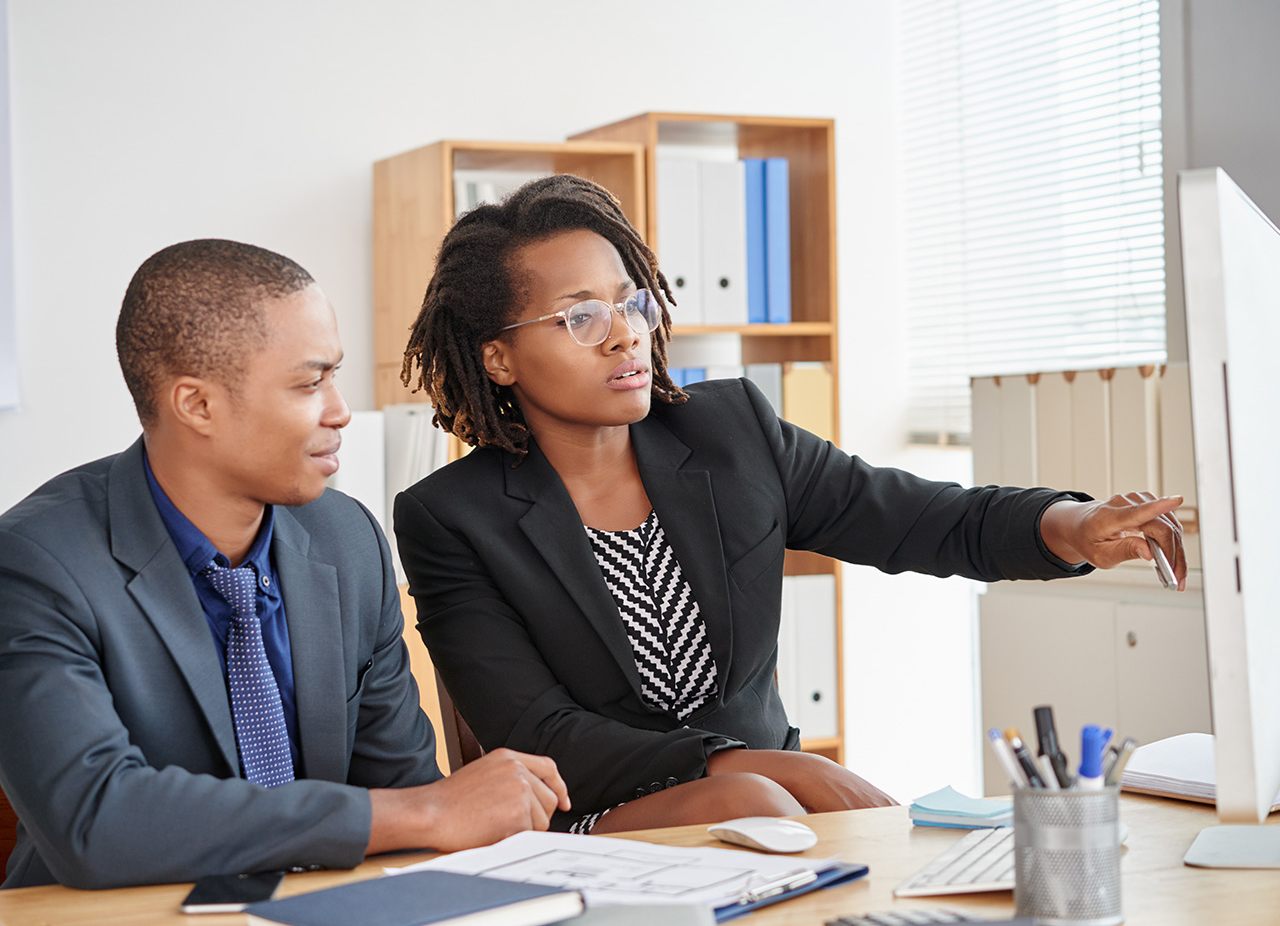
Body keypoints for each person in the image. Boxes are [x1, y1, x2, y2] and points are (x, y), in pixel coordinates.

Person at [392, 174, 1186, 835]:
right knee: (759, 801)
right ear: (497, 357)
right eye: (580, 317)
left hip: (782, 802)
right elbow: (538, 734)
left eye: (631, 303)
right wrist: (749, 766)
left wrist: (1074, 524)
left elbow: (918, 517)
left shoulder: (731, 431)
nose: (625, 335)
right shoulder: (451, 517)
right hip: (598, 821)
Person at [0, 239, 569, 890]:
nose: (339, 410)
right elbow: (96, 823)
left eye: (334, 375)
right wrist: (419, 811)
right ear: (198, 405)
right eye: (309, 382)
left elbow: (405, 791)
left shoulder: (346, 538)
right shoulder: (34, 563)